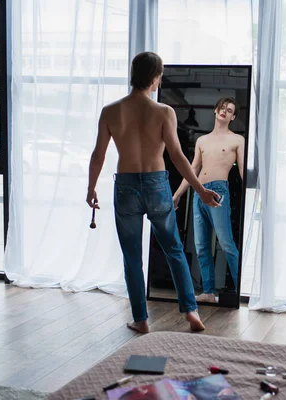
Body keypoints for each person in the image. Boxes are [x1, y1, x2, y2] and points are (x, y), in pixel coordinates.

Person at [85, 51, 220, 334]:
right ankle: (191, 312)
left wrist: (91, 187)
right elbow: (177, 155)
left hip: (126, 186)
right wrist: (201, 190)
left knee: (132, 256)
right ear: (155, 78)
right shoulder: (163, 112)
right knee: (174, 250)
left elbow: (98, 154)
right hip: (157, 184)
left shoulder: (111, 111)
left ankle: (141, 319)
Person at [172, 97, 244, 303]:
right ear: (215, 110)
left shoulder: (237, 140)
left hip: (219, 192)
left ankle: (241, 290)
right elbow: (193, 170)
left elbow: (242, 171)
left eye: (229, 110)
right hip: (198, 191)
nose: (225, 111)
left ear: (233, 116)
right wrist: (177, 195)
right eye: (222, 108)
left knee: (226, 243)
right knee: (201, 246)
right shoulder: (202, 140)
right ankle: (208, 292)